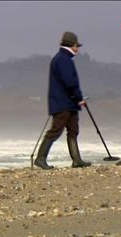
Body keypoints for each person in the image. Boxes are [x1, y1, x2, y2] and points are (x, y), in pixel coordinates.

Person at [34, 31, 91, 170]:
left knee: (73, 130)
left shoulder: (61, 58)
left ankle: (77, 160)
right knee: (55, 131)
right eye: (76, 46)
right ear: (72, 45)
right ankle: (40, 159)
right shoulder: (63, 59)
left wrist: (77, 99)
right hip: (63, 103)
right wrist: (79, 98)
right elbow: (70, 82)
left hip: (68, 103)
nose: (77, 49)